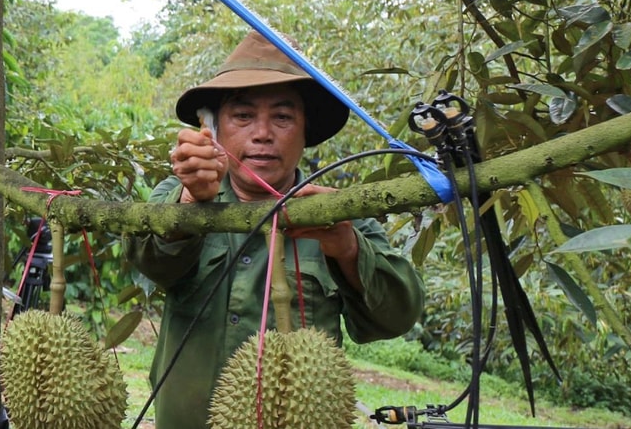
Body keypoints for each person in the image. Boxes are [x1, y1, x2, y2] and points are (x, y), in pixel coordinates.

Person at [128, 30, 425, 428]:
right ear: (214, 130)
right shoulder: (176, 195)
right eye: (243, 115)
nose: (263, 133)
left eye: (283, 117)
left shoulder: (337, 214)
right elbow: (147, 260)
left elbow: (397, 315)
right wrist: (190, 207)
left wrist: (347, 247)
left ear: (306, 132)